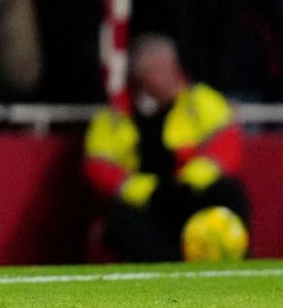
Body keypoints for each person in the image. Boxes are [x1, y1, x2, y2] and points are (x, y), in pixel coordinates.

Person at [84, 34, 249, 262]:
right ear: (139, 76)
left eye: (170, 67)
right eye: (158, 70)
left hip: (192, 193)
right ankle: (168, 269)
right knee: (119, 219)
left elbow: (226, 144)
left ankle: (234, 263)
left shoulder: (199, 101)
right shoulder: (115, 115)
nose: (169, 76)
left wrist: (188, 182)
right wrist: (151, 192)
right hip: (147, 203)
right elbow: (99, 167)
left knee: (229, 192)